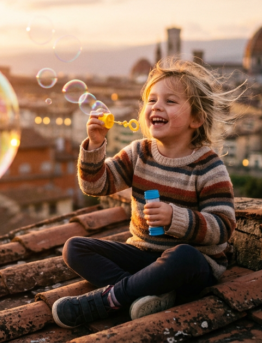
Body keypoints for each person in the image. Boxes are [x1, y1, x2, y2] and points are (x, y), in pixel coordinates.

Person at [52, 59, 241, 328]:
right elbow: (96, 186)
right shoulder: (138, 153)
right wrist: (95, 145)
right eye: (151, 100)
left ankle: (110, 299)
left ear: (197, 119)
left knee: (183, 255)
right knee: (75, 247)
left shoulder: (209, 167)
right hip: (143, 258)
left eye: (170, 101)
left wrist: (174, 217)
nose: (156, 106)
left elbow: (223, 227)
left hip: (192, 267)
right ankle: (144, 294)